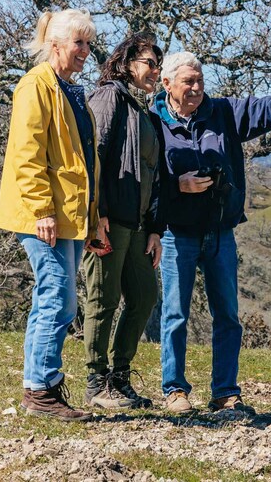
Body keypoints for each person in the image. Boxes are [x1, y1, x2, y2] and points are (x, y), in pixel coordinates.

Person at [150, 51, 271, 414]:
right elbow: (145, 175)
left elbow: (258, 110)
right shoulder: (153, 122)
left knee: (227, 314)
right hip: (176, 233)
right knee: (175, 314)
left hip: (219, 232)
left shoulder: (221, 111)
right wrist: (176, 185)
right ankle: (175, 391)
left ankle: (225, 392)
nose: (196, 88)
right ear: (167, 85)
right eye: (188, 82)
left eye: (199, 80)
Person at [0, 9, 101, 422]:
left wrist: (92, 218)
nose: (85, 52)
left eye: (88, 44)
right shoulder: (34, 85)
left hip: (69, 215)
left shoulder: (71, 90)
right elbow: (27, 153)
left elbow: (83, 160)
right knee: (58, 296)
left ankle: (45, 384)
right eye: (79, 44)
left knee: (58, 297)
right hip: (43, 214)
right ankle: (40, 389)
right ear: (55, 45)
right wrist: (42, 209)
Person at [81, 33, 165, 409]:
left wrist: (155, 229)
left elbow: (153, 175)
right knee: (103, 298)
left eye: (158, 64)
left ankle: (120, 377)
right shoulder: (109, 96)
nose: (156, 71)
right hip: (109, 220)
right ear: (128, 62)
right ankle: (96, 383)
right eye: (150, 63)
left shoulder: (142, 110)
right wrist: (94, 214)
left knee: (144, 295)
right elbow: (92, 153)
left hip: (137, 226)